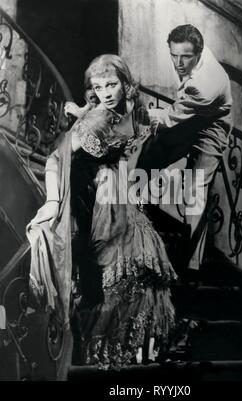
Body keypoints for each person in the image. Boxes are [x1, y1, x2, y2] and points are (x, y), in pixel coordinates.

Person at [27, 54, 177, 369]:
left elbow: (145, 124)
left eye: (112, 84)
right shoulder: (97, 121)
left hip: (124, 192)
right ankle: (104, 355)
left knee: (141, 274)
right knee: (117, 275)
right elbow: (55, 159)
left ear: (126, 83)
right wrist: (53, 201)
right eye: (99, 86)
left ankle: (124, 353)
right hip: (103, 198)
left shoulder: (133, 111)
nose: (106, 91)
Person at [137, 24, 233, 271]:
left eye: (186, 57)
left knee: (196, 185)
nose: (179, 63)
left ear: (198, 54)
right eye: (174, 55)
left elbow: (170, 117)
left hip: (213, 125)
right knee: (152, 152)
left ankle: (192, 265)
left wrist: (142, 115)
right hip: (191, 111)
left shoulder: (204, 85)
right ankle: (136, 208)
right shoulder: (193, 58)